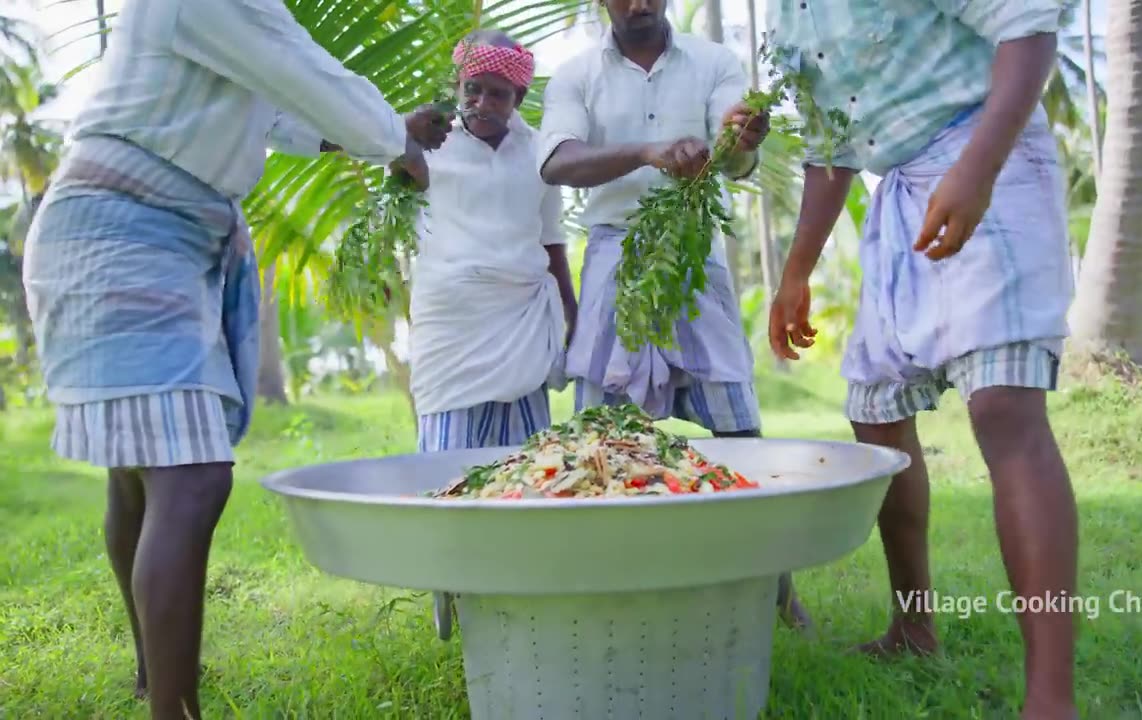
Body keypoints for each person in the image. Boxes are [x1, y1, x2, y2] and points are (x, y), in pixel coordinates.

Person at [21, 1, 451, 718]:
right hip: (123, 231)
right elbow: (312, 80)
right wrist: (390, 139)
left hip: (146, 231)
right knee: (189, 478)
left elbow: (270, 113)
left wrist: (386, 133)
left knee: (139, 473)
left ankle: (153, 680)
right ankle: (172, 708)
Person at [764, 1, 1077, 718]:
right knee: (875, 417)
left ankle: (1051, 697)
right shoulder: (787, 22)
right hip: (900, 193)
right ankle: (914, 628)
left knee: (1003, 405)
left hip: (987, 158)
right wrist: (795, 272)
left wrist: (977, 169)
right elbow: (829, 150)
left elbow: (1026, 30)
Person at [537, 0, 809, 629]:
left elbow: (736, 158)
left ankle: (775, 592)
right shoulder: (576, 74)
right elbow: (556, 161)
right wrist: (646, 152)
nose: (639, 5)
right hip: (614, 260)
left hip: (694, 256)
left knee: (739, 438)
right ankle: (604, 595)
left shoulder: (715, 62)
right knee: (597, 445)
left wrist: (743, 141)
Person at [408, 30, 577, 636]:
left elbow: (552, 237)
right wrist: (401, 132)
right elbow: (375, 150)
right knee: (448, 468)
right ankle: (450, 591)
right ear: (459, 86)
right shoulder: (429, 139)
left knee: (526, 467)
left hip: (520, 317)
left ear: (520, 97)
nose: (481, 103)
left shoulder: (539, 152)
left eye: (498, 95)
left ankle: (526, 589)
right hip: (449, 322)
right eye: (472, 89)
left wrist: (571, 312)